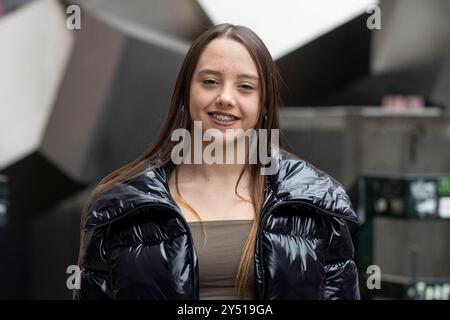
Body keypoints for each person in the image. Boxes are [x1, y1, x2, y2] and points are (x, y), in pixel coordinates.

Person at [74, 23, 360, 300]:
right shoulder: (121, 207)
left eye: (245, 86)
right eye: (210, 82)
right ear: (187, 92)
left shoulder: (316, 201)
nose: (225, 97)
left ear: (264, 104)